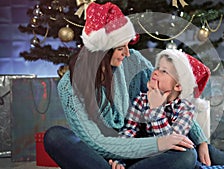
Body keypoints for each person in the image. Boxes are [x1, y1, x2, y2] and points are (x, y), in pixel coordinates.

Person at [43, 2, 204, 169]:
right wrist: (158, 143)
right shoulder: (69, 87)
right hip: (96, 155)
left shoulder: (132, 61)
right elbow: (96, 142)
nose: (127, 53)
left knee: (186, 155)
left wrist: (200, 139)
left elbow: (170, 95)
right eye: (121, 48)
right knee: (55, 137)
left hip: (134, 148)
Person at [112, 49, 224, 169]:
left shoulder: (185, 109)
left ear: (178, 86)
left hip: (178, 148)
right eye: (157, 68)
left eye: (164, 71)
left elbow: (168, 142)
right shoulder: (141, 99)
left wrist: (155, 109)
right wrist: (119, 158)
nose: (155, 72)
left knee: (208, 156)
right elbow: (128, 132)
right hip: (150, 153)